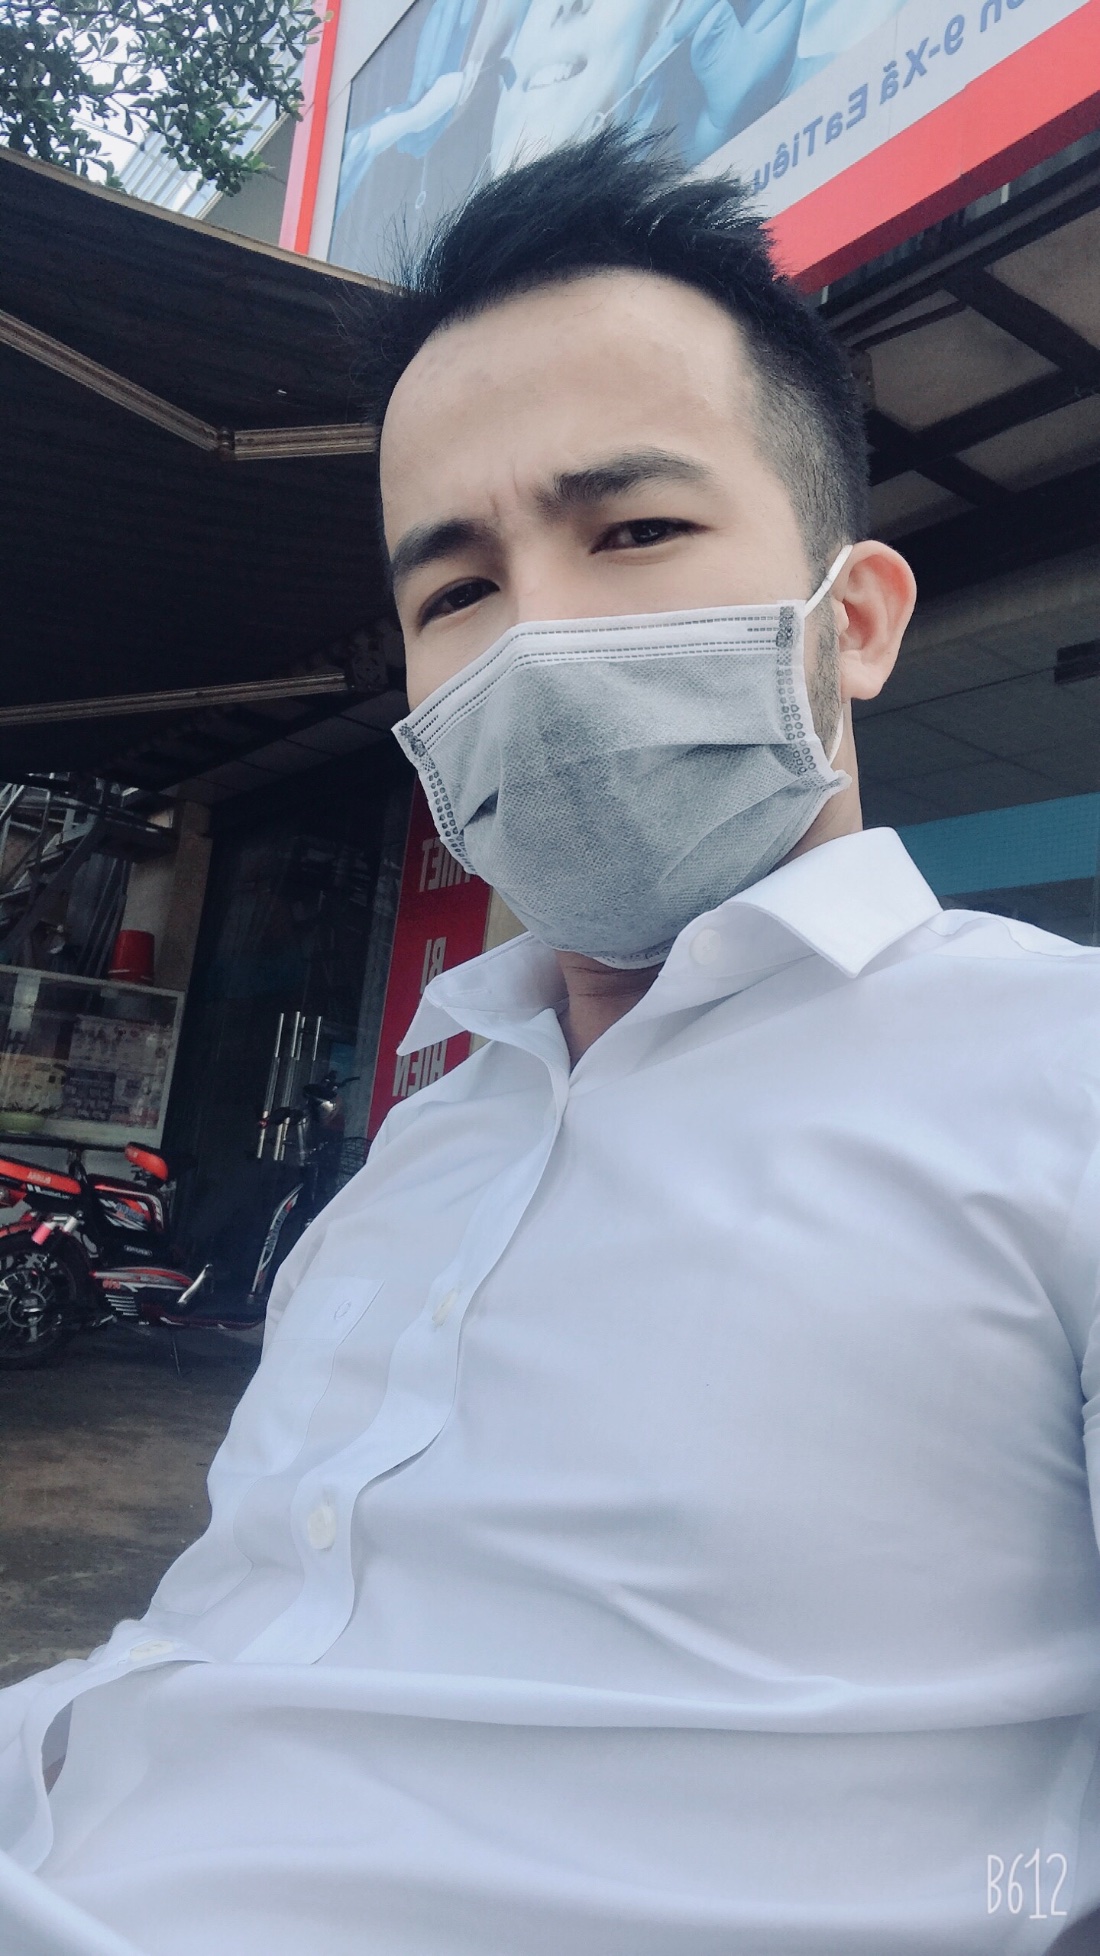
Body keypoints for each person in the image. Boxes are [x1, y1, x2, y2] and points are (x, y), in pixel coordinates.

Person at [3, 127, 1100, 1956]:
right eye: (455, 591)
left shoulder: (1059, 1080)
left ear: (855, 623)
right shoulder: (422, 1149)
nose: (539, 635)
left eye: (637, 531)